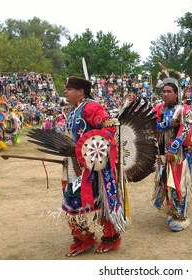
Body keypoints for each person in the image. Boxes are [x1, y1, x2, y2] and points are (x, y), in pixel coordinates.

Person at [63, 76, 122, 255]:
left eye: (69, 88)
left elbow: (110, 125)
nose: (65, 91)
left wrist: (93, 150)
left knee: (103, 200)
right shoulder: (73, 110)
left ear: (80, 91)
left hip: (95, 166)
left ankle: (111, 237)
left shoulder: (90, 107)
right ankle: (83, 238)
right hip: (76, 165)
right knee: (72, 199)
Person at [152, 69, 192, 232]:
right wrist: (167, 124)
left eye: (169, 91)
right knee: (165, 183)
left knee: (178, 184)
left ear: (177, 94)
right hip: (162, 152)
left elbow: (186, 129)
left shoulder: (185, 110)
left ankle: (179, 216)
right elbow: (151, 126)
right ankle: (171, 210)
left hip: (180, 154)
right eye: (163, 91)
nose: (165, 94)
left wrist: (173, 148)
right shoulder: (159, 110)